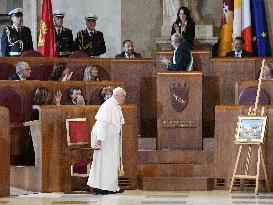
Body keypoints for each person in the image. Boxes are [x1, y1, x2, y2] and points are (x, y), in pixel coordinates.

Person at [87, 87, 126, 195]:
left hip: (110, 141)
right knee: (104, 163)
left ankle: (111, 186)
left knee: (111, 164)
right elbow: (102, 124)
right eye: (123, 96)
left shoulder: (115, 105)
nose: (124, 98)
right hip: (104, 140)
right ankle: (102, 187)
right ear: (117, 95)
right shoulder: (108, 105)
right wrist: (99, 140)